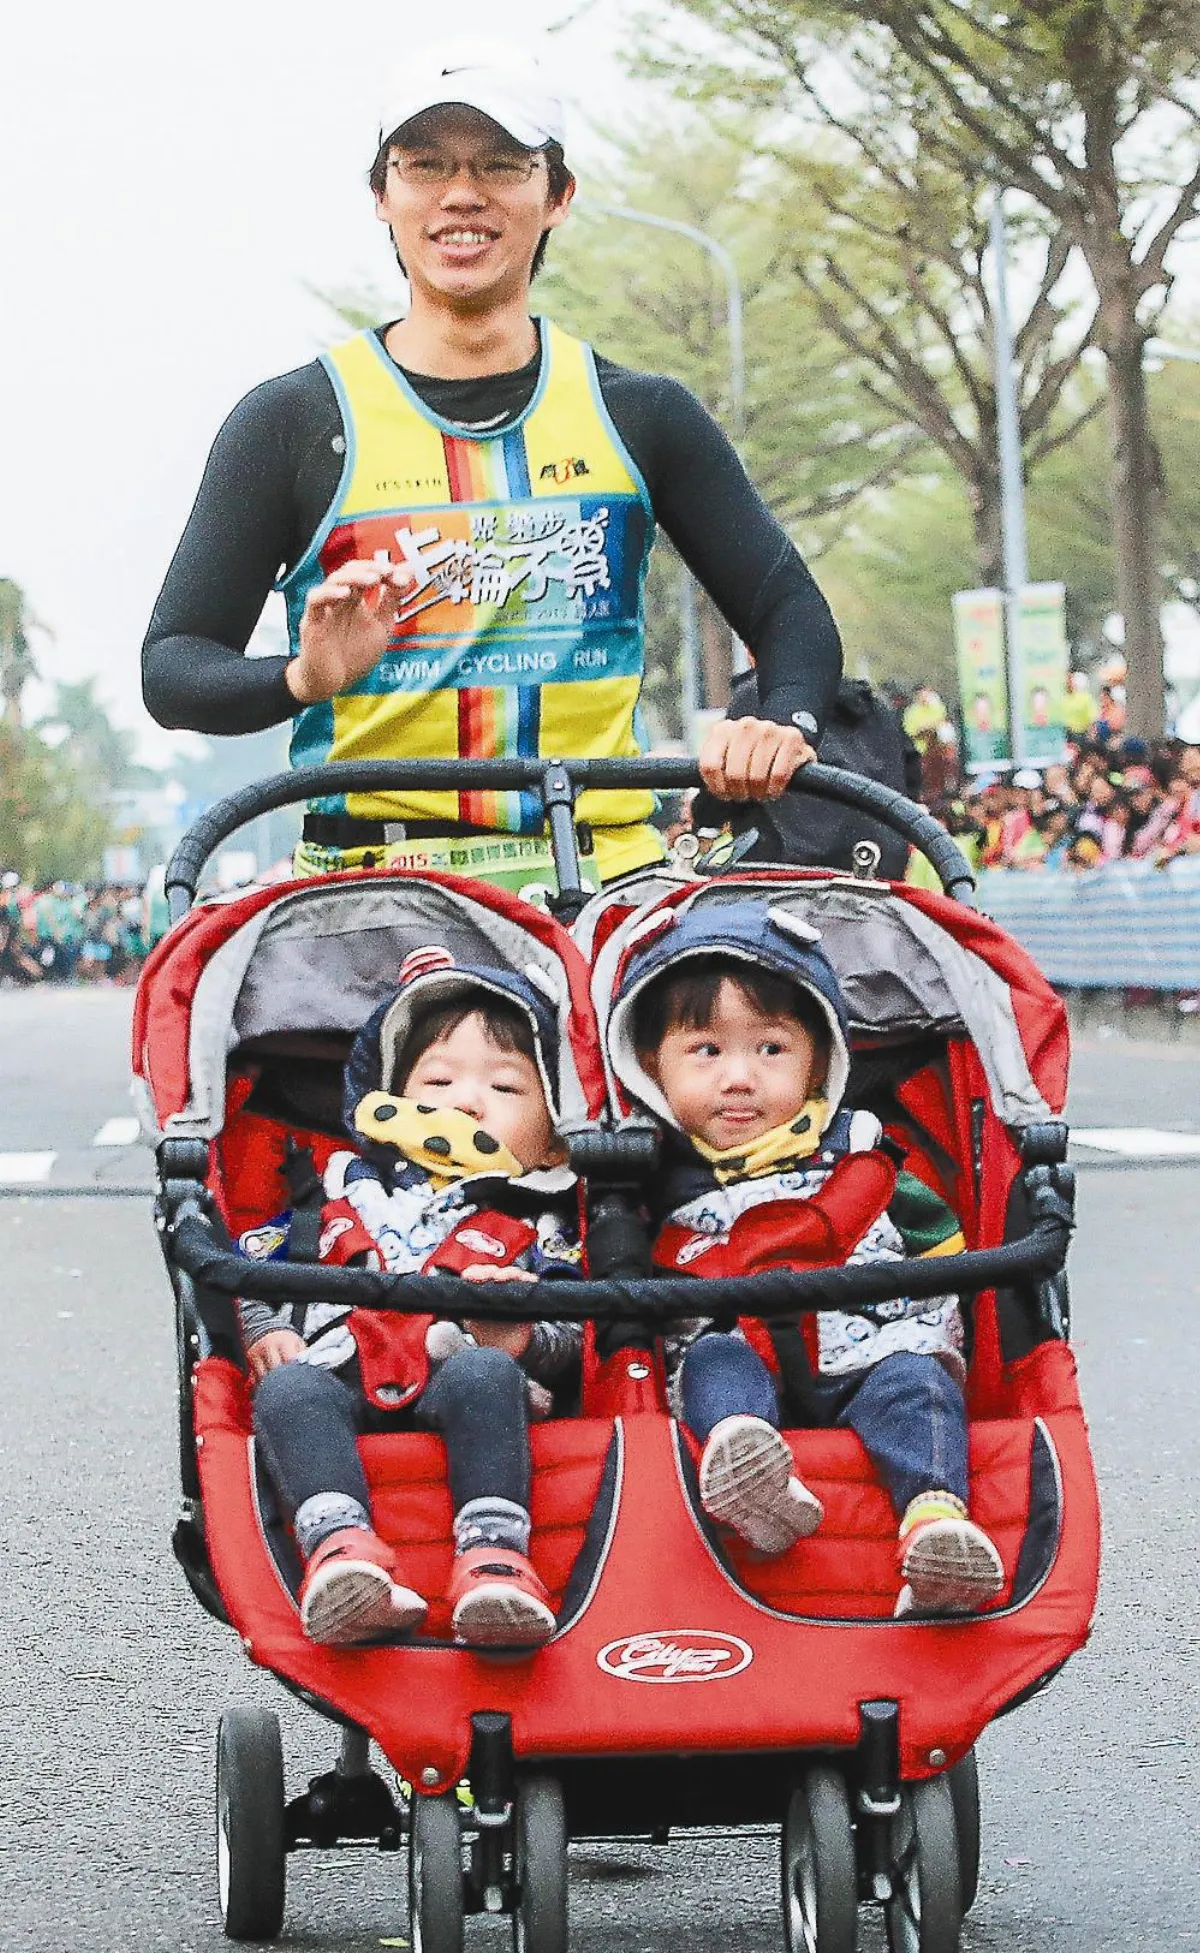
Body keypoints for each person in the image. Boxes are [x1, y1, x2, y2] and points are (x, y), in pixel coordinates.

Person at [141, 40, 841, 889]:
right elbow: (173, 665)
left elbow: (789, 608)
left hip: (606, 881)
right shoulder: (292, 420)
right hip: (373, 886)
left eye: (502, 165)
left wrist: (780, 722)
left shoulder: (641, 413)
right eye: (425, 166)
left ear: (559, 196)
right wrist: (302, 677)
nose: (461, 195)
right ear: (381, 194)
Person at [606, 903, 1005, 1616]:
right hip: (738, 1344)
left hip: (866, 1344)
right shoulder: (647, 1177)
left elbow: (943, 1243)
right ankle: (749, 1469)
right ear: (650, 1066)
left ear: (818, 1061)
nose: (740, 1078)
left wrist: (945, 1319)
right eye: (706, 1051)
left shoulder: (861, 1151)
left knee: (917, 1382)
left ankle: (936, 1520)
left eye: (770, 1049)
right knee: (711, 1364)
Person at [239, 950, 582, 1651]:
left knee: (486, 1375)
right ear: (387, 1103)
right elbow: (244, 1269)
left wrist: (520, 1335)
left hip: (465, 1370)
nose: (466, 1100)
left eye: (506, 1086)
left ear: (551, 1142)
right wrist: (265, 1327)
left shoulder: (541, 1217)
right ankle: (340, 1550)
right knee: (287, 1388)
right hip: (337, 1359)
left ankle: (494, 1556)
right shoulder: (335, 1190)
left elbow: (580, 1333)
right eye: (438, 1080)